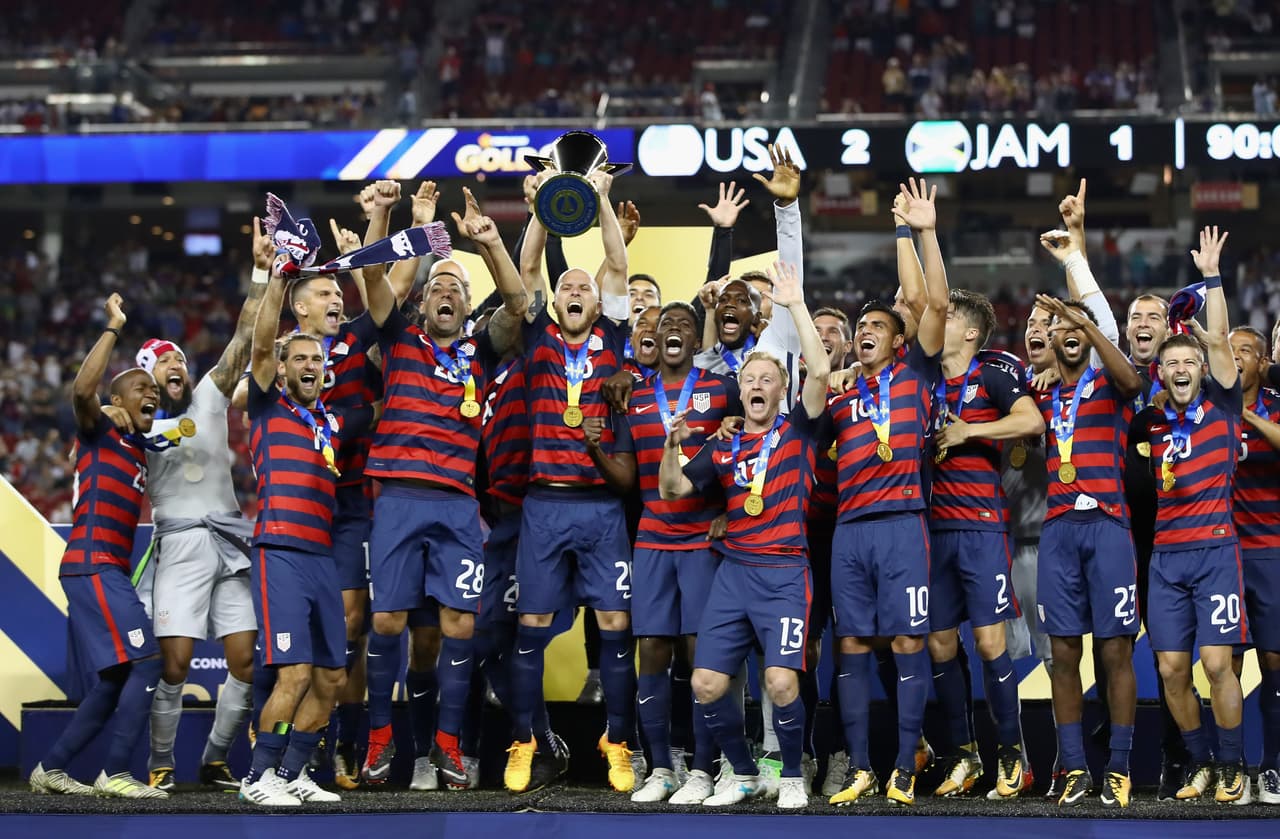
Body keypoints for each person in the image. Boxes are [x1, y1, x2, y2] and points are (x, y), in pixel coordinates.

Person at [360, 186, 527, 790]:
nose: (448, 292)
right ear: (422, 303)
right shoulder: (399, 339)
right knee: (387, 625)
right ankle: (380, 742)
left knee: (459, 627)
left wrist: (487, 245)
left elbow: (518, 301)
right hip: (399, 498)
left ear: (467, 305)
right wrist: (385, 217)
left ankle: (448, 749)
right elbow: (376, 279)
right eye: (438, 287)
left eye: (457, 288)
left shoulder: (483, 349)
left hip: (459, 503)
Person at [658, 259, 828, 810]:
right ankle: (743, 771)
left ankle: (795, 774)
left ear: (783, 390)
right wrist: (670, 444)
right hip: (733, 573)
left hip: (783, 571)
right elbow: (674, 490)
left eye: (767, 380)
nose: (756, 386)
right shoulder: (724, 443)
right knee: (706, 683)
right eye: (749, 379)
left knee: (780, 684)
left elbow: (821, 374)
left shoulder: (799, 432)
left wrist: (795, 304)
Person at [503, 171, 639, 795]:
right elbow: (528, 266)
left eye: (584, 286)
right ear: (556, 304)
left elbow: (615, 259)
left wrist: (603, 199)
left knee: (614, 627)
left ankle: (616, 740)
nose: (578, 289)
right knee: (531, 624)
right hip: (545, 507)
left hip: (603, 509)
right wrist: (537, 210)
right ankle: (526, 742)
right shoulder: (537, 337)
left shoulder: (612, 336)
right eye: (568, 287)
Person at [825, 178, 948, 808]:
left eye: (878, 325)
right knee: (851, 643)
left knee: (905, 641)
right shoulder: (840, 395)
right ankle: (862, 767)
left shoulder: (917, 373)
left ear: (897, 340)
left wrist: (912, 230)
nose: (866, 331)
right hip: (851, 530)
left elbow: (932, 301)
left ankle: (905, 763)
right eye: (861, 326)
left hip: (903, 523)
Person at [139, 220, 273, 793]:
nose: (175, 367)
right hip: (181, 546)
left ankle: (215, 758)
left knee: (245, 661)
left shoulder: (210, 394)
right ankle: (160, 761)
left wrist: (263, 270)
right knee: (174, 666)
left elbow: (244, 337)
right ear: (144, 381)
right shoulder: (136, 424)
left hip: (228, 539)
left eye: (177, 360)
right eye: (161, 364)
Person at [239, 256, 371, 806]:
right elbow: (263, 346)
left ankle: (293, 774)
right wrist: (277, 280)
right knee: (292, 672)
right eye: (300, 358)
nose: (310, 364)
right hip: (280, 552)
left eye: (317, 358)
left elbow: (400, 398)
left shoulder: (334, 423)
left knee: (332, 676)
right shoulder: (268, 406)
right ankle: (257, 778)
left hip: (324, 554)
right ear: (284, 368)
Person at [29, 293, 166, 800]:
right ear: (120, 402)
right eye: (140, 389)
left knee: (112, 680)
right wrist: (114, 328)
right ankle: (116, 773)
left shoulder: (137, 442)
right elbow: (84, 391)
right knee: (147, 662)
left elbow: (180, 416)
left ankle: (52, 767)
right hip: (94, 563)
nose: (150, 394)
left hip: (99, 567)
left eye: (153, 390)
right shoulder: (102, 430)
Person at [1132, 226, 1251, 805]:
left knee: (1216, 662)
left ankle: (1234, 766)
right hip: (1164, 558)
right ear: (1163, 372)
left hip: (1215, 552)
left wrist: (1210, 277)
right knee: (1174, 670)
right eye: (1171, 361)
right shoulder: (1152, 423)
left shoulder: (1225, 406)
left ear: (1201, 370)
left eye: (1189, 361)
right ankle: (1202, 761)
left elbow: (1222, 339)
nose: (1180, 367)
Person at [927, 281, 1044, 799]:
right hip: (931, 530)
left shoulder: (993, 374)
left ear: (970, 332)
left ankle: (1013, 757)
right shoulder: (925, 378)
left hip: (980, 527)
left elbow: (1031, 419)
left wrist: (969, 432)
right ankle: (964, 754)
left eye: (948, 315)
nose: (939, 319)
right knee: (939, 643)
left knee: (989, 642)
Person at [1030, 284, 1144, 808]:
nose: (1070, 334)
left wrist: (1086, 323)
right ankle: (1074, 768)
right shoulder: (1041, 394)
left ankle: (1118, 766)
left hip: (1108, 526)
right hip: (1058, 530)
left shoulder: (1110, 384)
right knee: (1063, 653)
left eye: (1079, 327)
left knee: (1115, 649)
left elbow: (1132, 377)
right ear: (1049, 340)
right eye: (1061, 328)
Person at [626, 301, 740, 803]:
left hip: (701, 538)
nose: (674, 331)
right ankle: (659, 766)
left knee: (700, 653)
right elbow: (628, 476)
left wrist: (731, 512)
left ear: (698, 342)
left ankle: (700, 767)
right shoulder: (630, 394)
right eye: (664, 325)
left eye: (684, 326)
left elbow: (744, 453)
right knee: (651, 647)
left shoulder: (720, 389)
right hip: (652, 535)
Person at [1228, 325, 1280, 805]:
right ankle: (1234, 770)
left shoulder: (1276, 403)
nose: (1236, 357)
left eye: (1245, 351)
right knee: (1226, 663)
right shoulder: (1206, 402)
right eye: (1229, 350)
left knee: (1274, 662)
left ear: (1263, 363)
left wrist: (1244, 415)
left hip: (1270, 549)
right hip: (1221, 551)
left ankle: (1272, 768)